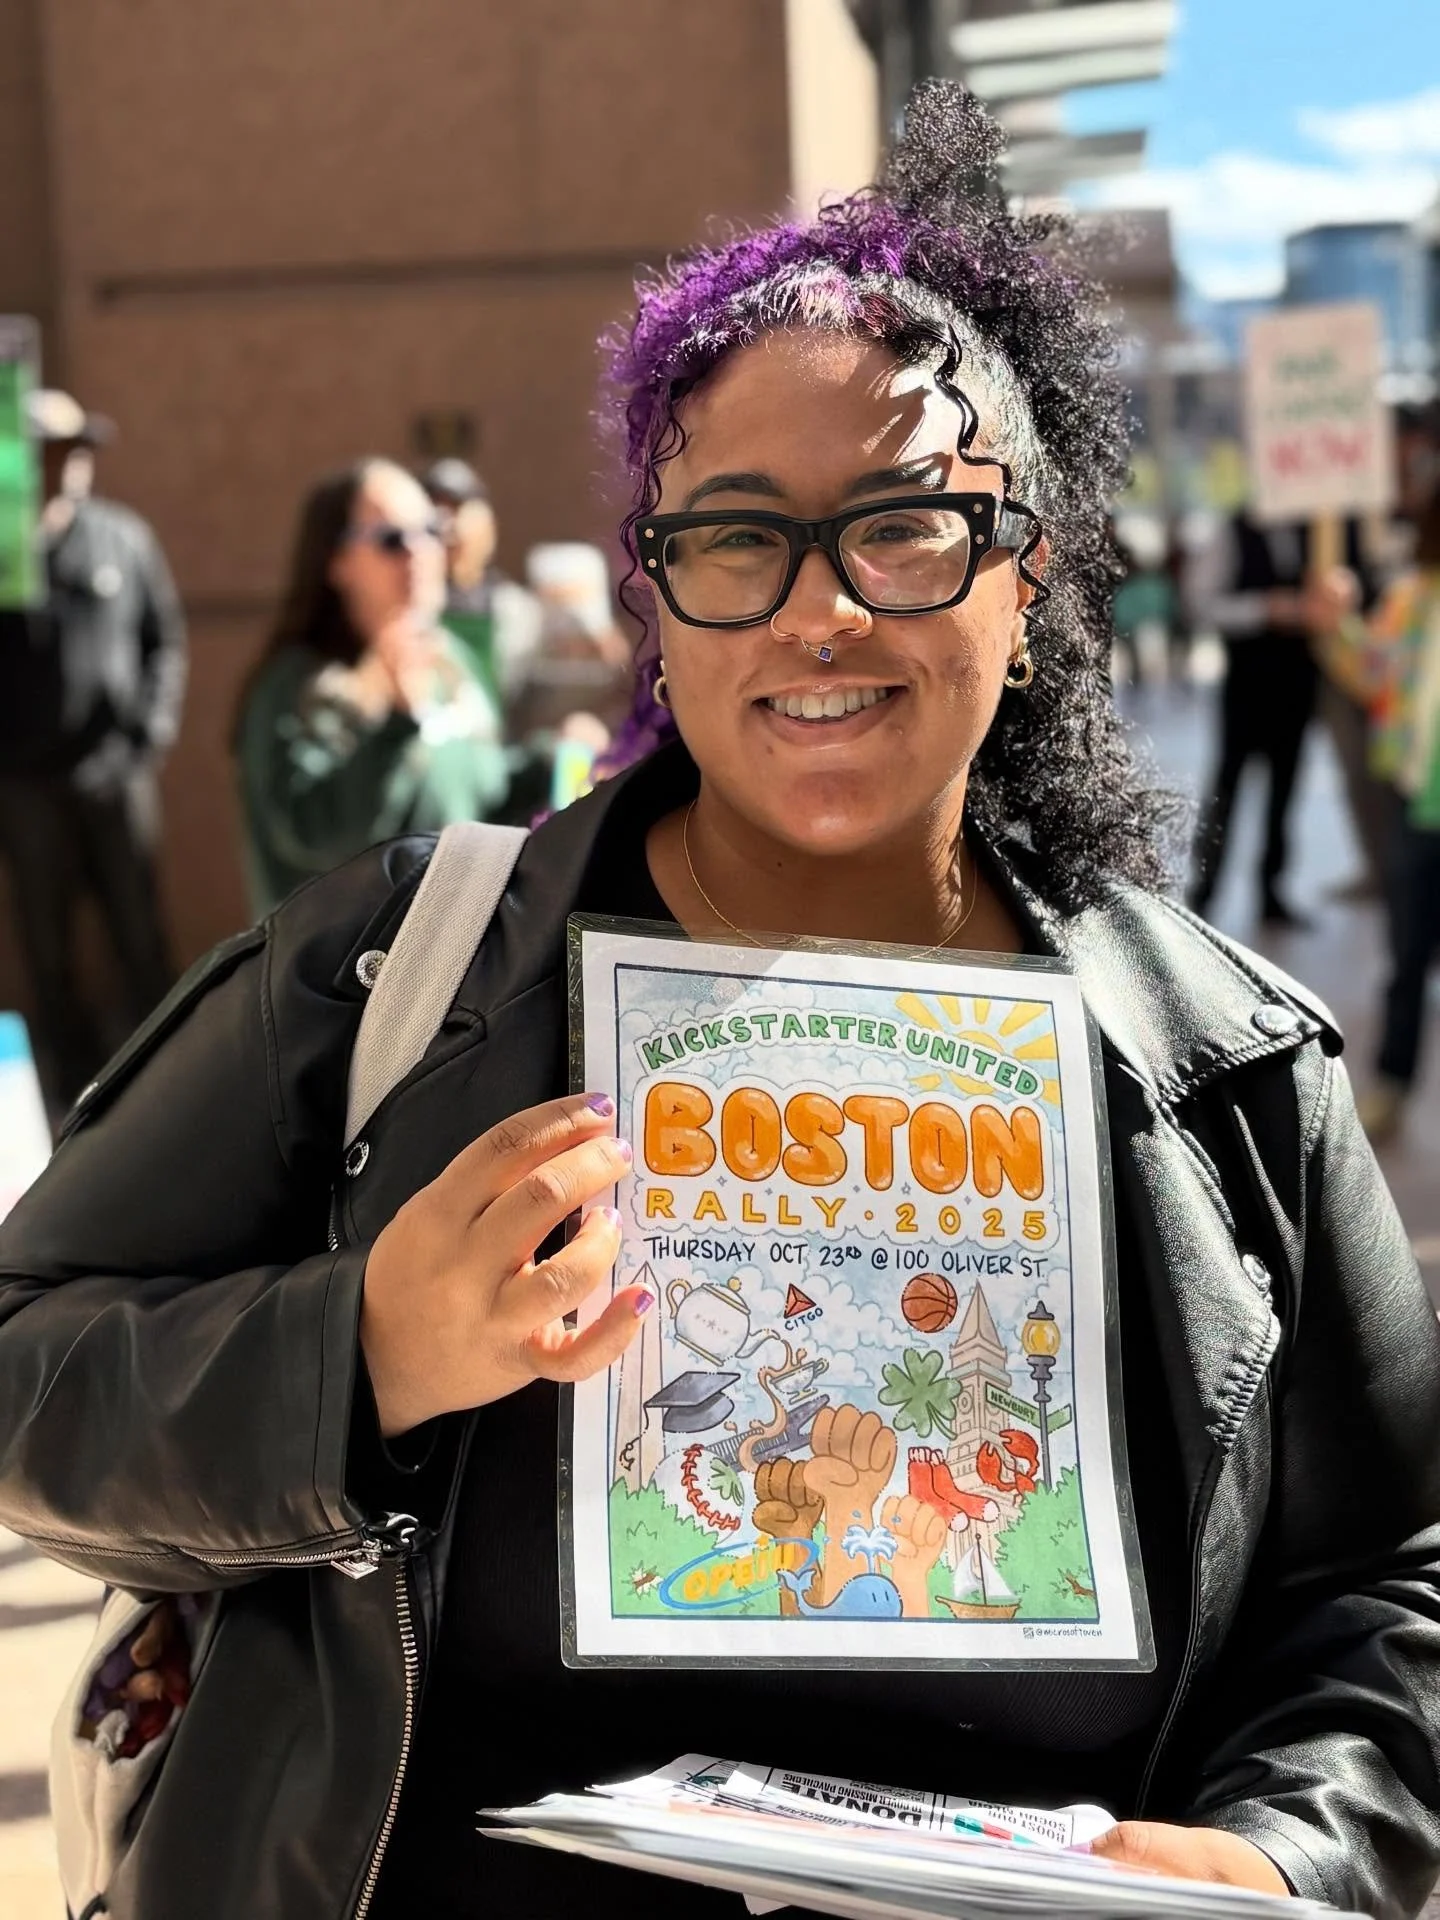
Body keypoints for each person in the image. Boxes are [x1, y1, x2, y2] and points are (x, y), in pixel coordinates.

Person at [2, 85, 1440, 1920]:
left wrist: (1283, 1850)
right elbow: (23, 1370)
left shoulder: (1233, 1077)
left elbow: (1385, 1584)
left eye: (907, 527)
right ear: (656, 604)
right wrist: (356, 1357)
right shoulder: (394, 980)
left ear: (1033, 578)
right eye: (736, 539)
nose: (817, 614)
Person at [0, 387, 186, 1109]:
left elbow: (162, 639)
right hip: (25, 784)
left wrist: (147, 736)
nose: (68, 467)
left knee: (140, 937)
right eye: (50, 452)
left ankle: (162, 1092)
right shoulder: (6, 546)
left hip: (114, 774)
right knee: (47, 950)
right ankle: (65, 1101)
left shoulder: (121, 537)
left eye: (77, 451)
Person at [234, 458, 511, 915]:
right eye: (392, 539)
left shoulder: (452, 660)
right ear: (336, 562)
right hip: (343, 976)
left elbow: (484, 793)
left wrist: (550, 762)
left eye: (432, 531)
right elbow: (314, 833)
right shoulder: (299, 686)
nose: (420, 552)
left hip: (459, 959)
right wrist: (395, 724)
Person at [1186, 507, 1367, 927]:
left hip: (1299, 685)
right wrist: (1265, 609)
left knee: (1284, 789)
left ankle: (1272, 890)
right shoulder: (1233, 529)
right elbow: (1201, 603)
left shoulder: (1325, 532)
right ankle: (1205, 890)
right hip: (1247, 686)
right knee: (1228, 789)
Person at [1356, 481, 1440, 1142]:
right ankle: (1392, 1081)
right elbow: (1371, 669)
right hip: (1420, 810)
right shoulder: (1412, 599)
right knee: (1406, 958)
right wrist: (1336, 622)